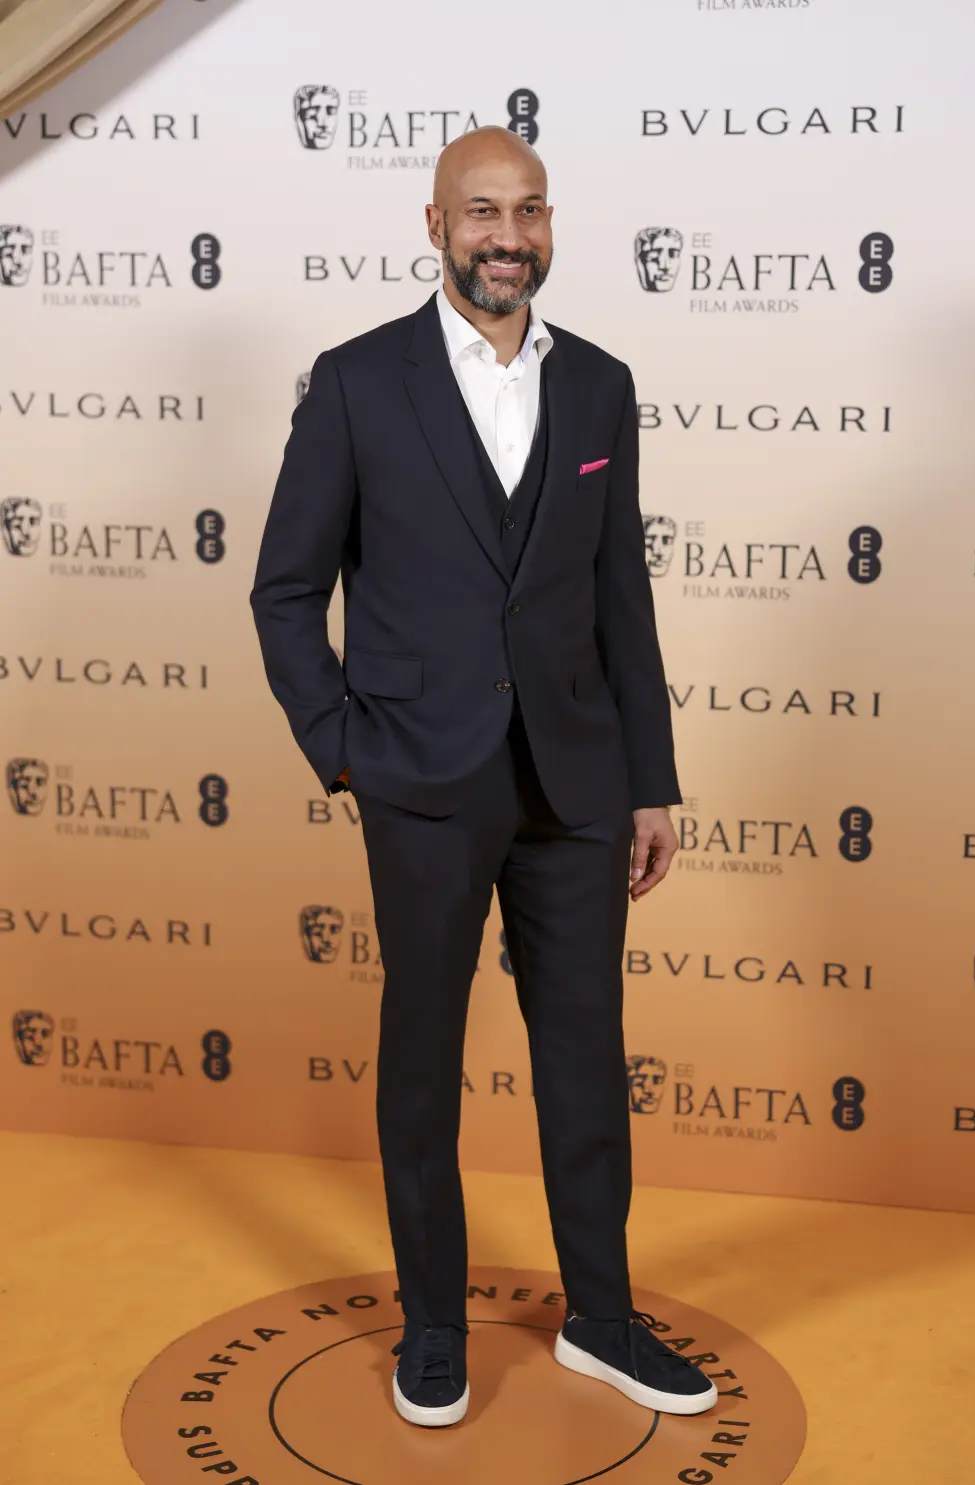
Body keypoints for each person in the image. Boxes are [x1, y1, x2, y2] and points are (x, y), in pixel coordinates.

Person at [250, 125, 716, 1427]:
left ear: (549, 223)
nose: (504, 237)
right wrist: (340, 745)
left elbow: (620, 596)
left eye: (525, 212)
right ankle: (435, 1329)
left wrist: (651, 781)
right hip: (421, 780)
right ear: (434, 223)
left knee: (584, 1056)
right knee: (421, 1059)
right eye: (478, 214)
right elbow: (287, 592)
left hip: (575, 781)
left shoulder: (602, 387)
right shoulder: (356, 383)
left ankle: (605, 1324)